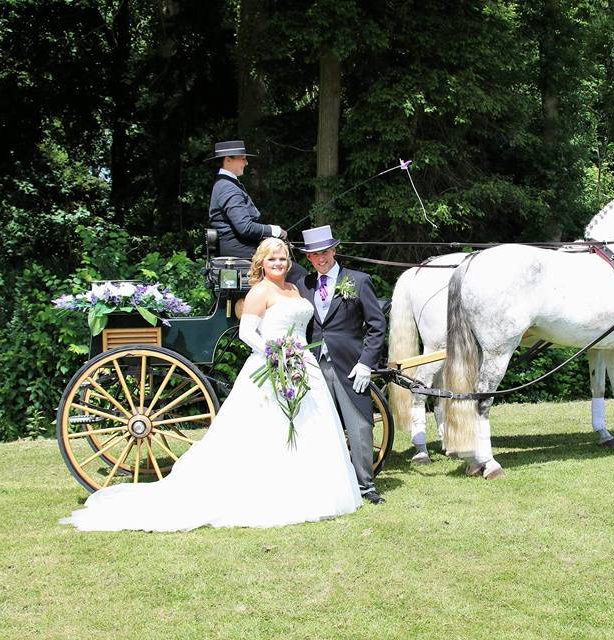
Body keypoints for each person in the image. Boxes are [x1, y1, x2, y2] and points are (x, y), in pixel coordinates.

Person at [61, 238, 361, 531]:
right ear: (262, 263)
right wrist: (275, 354)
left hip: (301, 363)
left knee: (309, 423)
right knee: (270, 429)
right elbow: (247, 333)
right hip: (272, 362)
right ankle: (270, 493)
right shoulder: (260, 292)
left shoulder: (294, 288)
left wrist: (293, 355)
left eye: (282, 258)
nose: (279, 264)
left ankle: (309, 490)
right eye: (272, 259)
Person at [296, 226, 388, 504]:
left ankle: (366, 485)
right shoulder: (304, 285)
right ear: (308, 259)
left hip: (350, 364)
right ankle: (324, 483)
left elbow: (376, 325)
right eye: (314, 255)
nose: (320, 258)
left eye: (324, 252)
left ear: (334, 250)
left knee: (359, 424)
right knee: (316, 423)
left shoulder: (358, 281)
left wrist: (366, 363)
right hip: (312, 365)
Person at [207, 139, 307, 284]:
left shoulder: (226, 184)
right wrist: (274, 230)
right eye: (243, 158)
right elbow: (245, 227)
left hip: (244, 248)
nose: (246, 163)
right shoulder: (227, 187)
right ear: (228, 160)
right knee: (299, 275)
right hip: (241, 253)